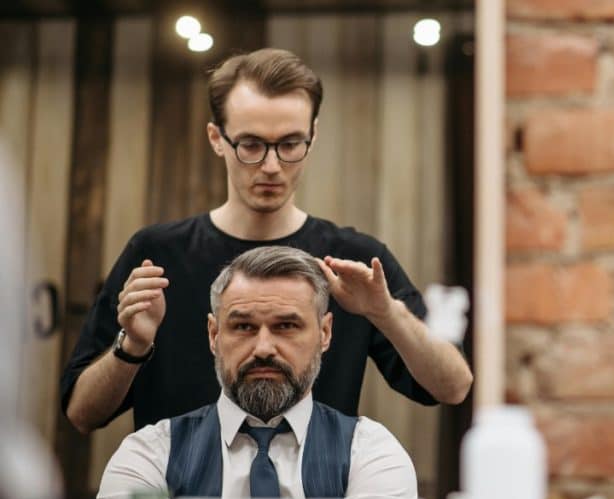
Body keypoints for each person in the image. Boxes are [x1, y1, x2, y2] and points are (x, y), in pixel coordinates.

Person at [61, 48, 473, 433]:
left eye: (290, 144)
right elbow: (82, 413)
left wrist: (387, 314)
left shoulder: (358, 261)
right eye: (252, 145)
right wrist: (132, 345)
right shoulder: (156, 256)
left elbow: (453, 387)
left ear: (313, 136)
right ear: (216, 138)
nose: (272, 166)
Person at [96, 246, 418, 499]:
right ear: (213, 334)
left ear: (324, 332)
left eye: (286, 326)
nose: (263, 347)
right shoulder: (149, 457)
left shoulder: (372, 454)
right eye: (244, 326)